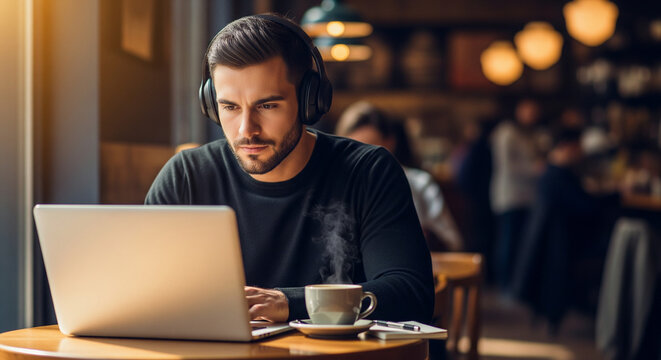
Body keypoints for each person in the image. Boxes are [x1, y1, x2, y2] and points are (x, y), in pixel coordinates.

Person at [145, 14, 434, 324]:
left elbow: (410, 294)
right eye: (229, 107)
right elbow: (138, 290)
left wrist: (291, 303)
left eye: (267, 105)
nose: (247, 129)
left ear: (310, 101)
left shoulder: (368, 172)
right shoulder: (186, 176)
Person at [336, 101, 463, 252]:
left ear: (390, 143)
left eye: (369, 148)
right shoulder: (337, 187)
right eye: (352, 149)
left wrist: (426, 237)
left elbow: (452, 243)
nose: (361, 158)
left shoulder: (419, 183)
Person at [489, 98, 545, 291]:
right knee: (508, 242)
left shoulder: (531, 134)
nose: (532, 116)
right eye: (528, 111)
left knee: (520, 243)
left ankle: (516, 285)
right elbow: (508, 166)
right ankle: (504, 284)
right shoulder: (506, 133)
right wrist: (535, 169)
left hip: (527, 197)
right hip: (509, 196)